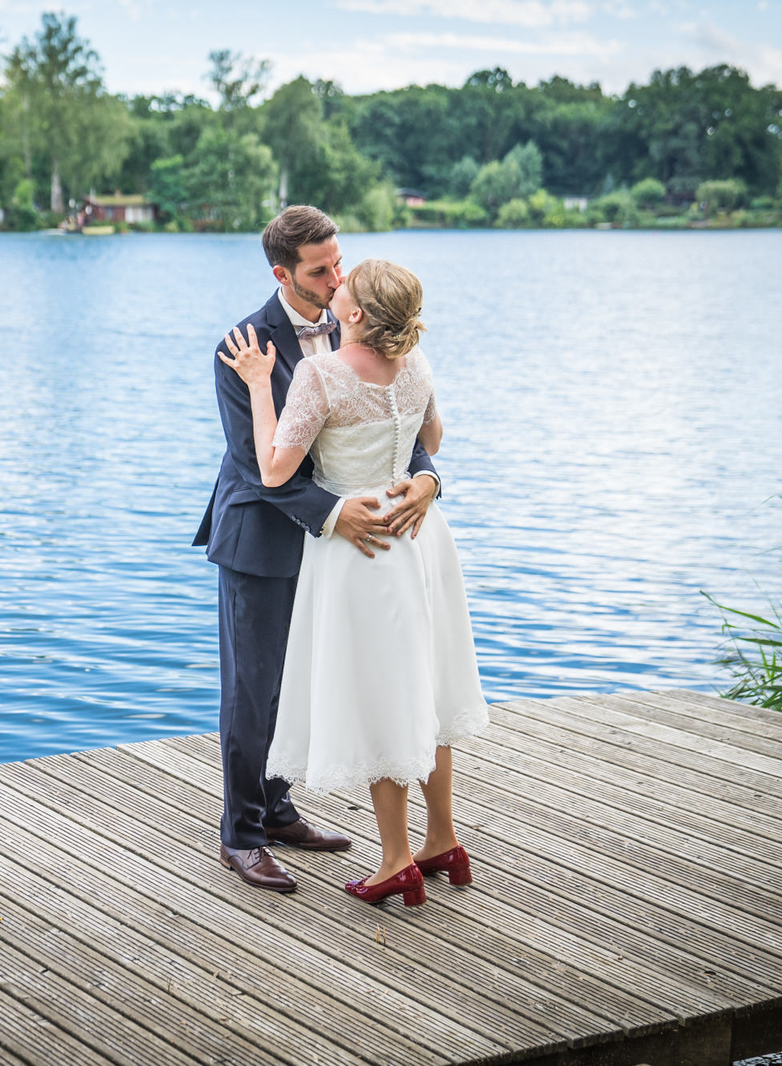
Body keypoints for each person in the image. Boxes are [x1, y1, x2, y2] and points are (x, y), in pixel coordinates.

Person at [219, 257, 490, 907]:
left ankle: (396, 859)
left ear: (357, 314)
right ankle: (442, 838)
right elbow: (435, 436)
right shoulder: (417, 363)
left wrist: (259, 384)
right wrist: (421, 479)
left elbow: (276, 470)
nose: (336, 283)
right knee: (425, 694)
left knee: (382, 701)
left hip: (363, 549)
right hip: (421, 540)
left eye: (346, 282)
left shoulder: (320, 375)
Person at [193, 206, 442, 893]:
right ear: (282, 273)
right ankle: (240, 835)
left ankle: (277, 811)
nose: (337, 277)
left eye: (339, 263)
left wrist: (428, 478)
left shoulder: (359, 319)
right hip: (261, 540)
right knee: (252, 691)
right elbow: (255, 464)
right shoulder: (242, 344)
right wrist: (333, 512)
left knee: (297, 679)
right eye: (320, 270)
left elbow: (401, 421)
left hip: (337, 545)